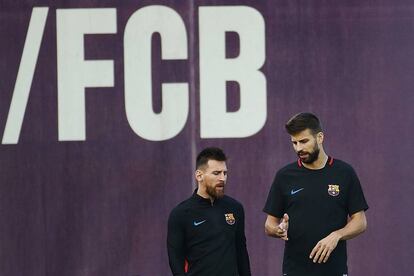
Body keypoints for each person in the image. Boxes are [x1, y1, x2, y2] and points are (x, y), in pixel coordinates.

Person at [263, 112, 368, 276]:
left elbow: (360, 221)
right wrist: (278, 230)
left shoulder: (344, 173)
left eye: (304, 141)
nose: (299, 148)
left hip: (335, 270)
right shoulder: (284, 176)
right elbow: (269, 224)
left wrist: (337, 235)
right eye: (294, 143)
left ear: (320, 137)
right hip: (294, 271)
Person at [167, 147, 251, 276]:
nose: (222, 178)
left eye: (225, 173)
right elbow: (175, 261)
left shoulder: (235, 208)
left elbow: (241, 253)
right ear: (199, 176)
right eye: (216, 173)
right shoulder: (181, 214)